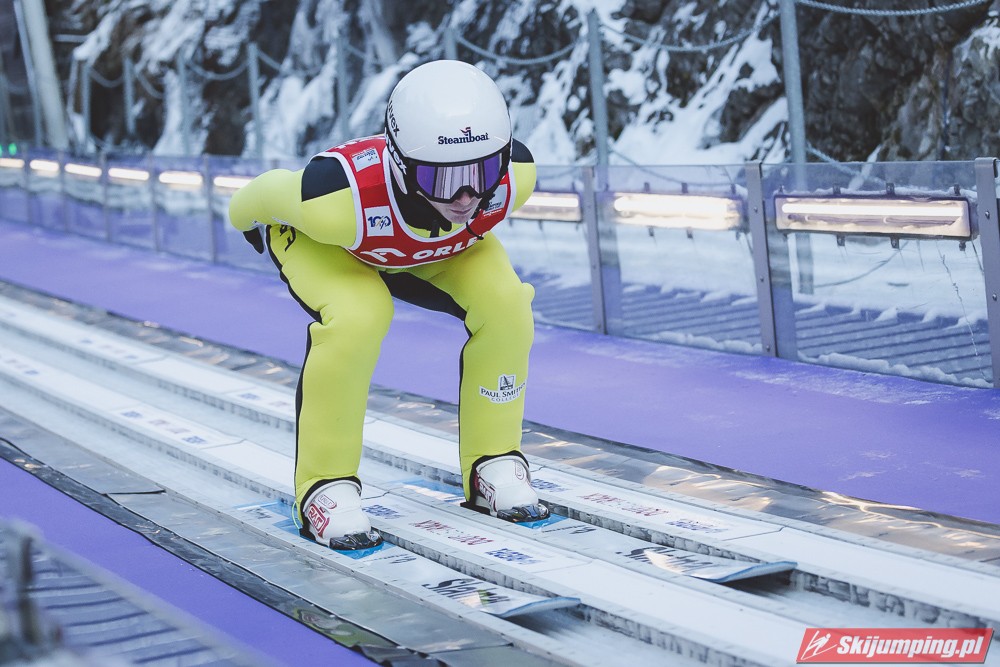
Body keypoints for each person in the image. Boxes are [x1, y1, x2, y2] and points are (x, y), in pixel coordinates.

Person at [228, 59, 549, 550]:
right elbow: (264, 193)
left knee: (508, 305)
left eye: (482, 172)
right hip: (334, 246)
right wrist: (243, 220)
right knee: (360, 316)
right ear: (400, 165)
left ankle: (494, 459)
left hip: (437, 248)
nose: (466, 197)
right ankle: (325, 485)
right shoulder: (333, 199)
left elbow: (470, 190)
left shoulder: (514, 178)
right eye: (443, 180)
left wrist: (460, 184)